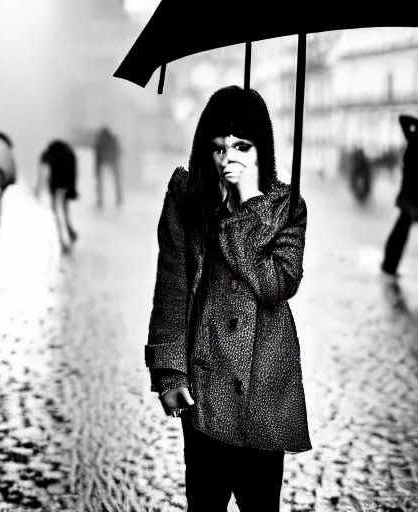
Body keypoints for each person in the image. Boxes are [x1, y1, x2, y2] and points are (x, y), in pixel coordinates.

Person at [145, 86, 312, 511]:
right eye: (218, 148)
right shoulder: (187, 198)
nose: (227, 159)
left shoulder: (285, 207)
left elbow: (277, 284)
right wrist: (169, 372)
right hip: (204, 383)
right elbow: (171, 289)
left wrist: (244, 207)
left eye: (241, 146)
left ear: (262, 149)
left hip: (264, 383)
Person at [381, 114, 418, 278]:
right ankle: (389, 265)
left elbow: (404, 120)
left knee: (400, 231)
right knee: (400, 233)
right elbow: (403, 119)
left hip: (410, 195)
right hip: (412, 196)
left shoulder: (414, 139)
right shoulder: (416, 139)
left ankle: (389, 265)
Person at [36, 139, 79, 254]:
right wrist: (72, 189)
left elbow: (43, 174)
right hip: (66, 185)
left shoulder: (48, 155)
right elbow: (74, 171)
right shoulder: (68, 153)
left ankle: (62, 240)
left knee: (56, 211)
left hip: (56, 186)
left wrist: (37, 192)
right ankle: (70, 232)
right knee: (64, 210)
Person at [94, 127, 122, 210]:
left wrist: (97, 169)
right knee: (116, 181)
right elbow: (117, 150)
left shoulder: (101, 140)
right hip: (112, 160)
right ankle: (118, 200)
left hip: (104, 160)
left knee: (101, 183)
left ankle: (100, 201)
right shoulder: (112, 138)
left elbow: (97, 154)